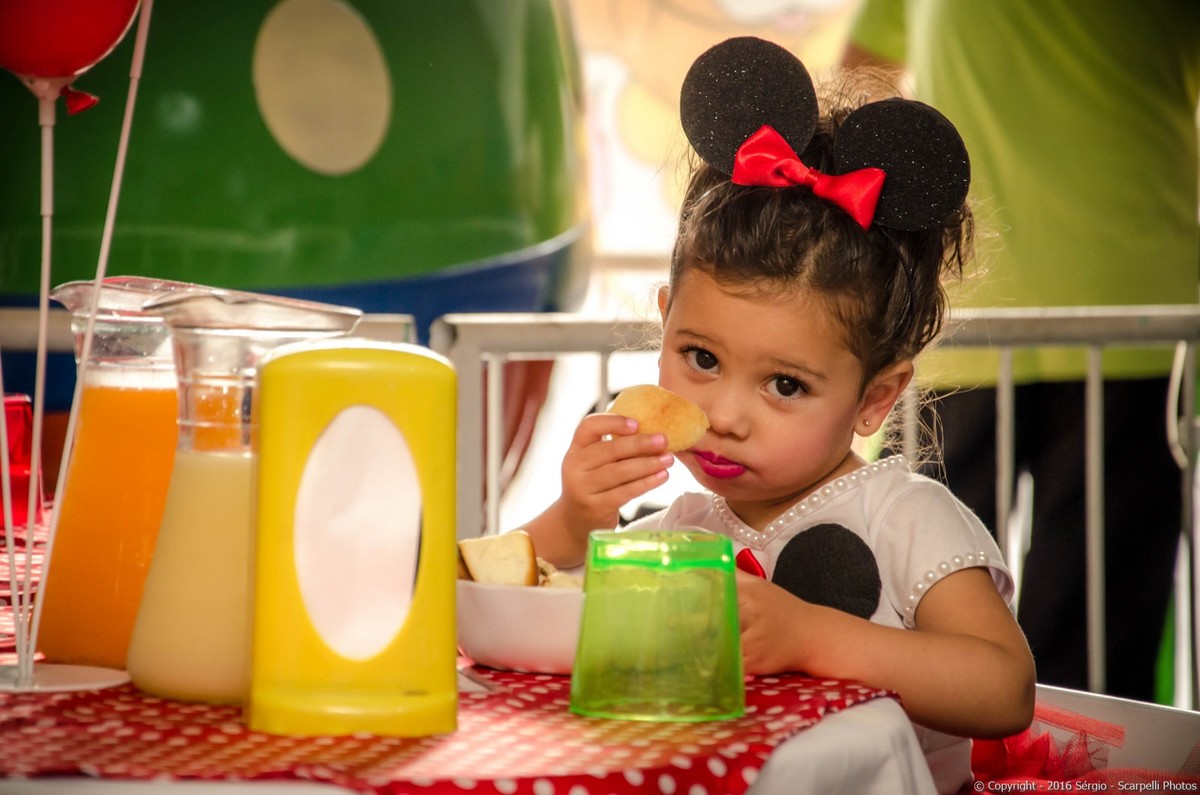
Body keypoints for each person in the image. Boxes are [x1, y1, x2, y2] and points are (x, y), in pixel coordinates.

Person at [524, 36, 1035, 795]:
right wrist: (573, 520)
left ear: (874, 399)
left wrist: (808, 635)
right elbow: (513, 603)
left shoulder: (902, 516)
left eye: (786, 385)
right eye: (701, 357)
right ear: (664, 324)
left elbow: (1004, 689)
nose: (724, 415)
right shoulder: (683, 534)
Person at [843, 2, 1200, 703]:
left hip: (990, 314)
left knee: (907, 607)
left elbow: (857, 92)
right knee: (1087, 651)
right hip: (1113, 306)